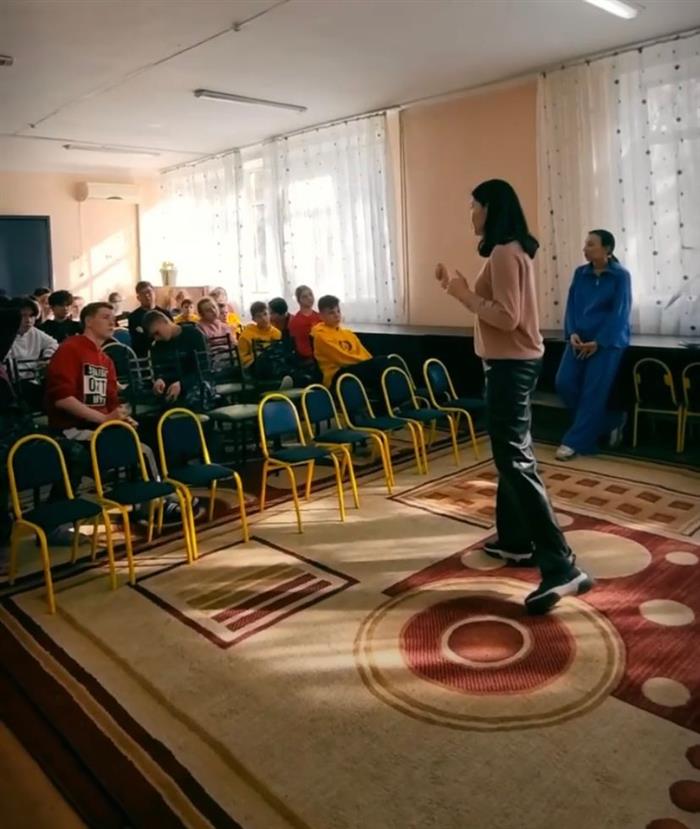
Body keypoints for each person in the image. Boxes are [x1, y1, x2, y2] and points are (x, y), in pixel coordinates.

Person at [435, 178, 593, 615]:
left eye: (474, 206)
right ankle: (516, 541)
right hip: (513, 365)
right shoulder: (511, 250)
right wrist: (459, 288)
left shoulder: (505, 252)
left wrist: (463, 294)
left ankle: (561, 565)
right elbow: (502, 310)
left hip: (510, 367)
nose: (470, 214)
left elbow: (507, 318)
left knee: (515, 461)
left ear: (490, 208)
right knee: (511, 457)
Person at [46, 302, 185, 524]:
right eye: (105, 317)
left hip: (98, 427)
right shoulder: (70, 349)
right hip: (71, 429)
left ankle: (153, 498)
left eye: (113, 317)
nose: (112, 322)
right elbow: (62, 399)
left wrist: (121, 417)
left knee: (152, 430)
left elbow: (111, 403)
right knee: (140, 448)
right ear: (88, 321)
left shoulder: (105, 360)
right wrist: (105, 419)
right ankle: (155, 502)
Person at [555, 230, 632, 460]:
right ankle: (611, 422)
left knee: (593, 392)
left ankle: (573, 442)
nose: (585, 249)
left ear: (607, 249)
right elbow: (572, 306)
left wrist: (599, 341)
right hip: (579, 340)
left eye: (591, 244)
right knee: (564, 383)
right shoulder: (580, 273)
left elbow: (620, 312)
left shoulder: (620, 276)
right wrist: (572, 333)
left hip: (607, 343)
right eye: (585, 244)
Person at [312, 295, 398, 391]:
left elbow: (363, 352)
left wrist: (370, 362)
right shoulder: (321, 336)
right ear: (321, 316)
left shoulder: (348, 333)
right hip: (336, 375)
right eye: (331, 313)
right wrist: (368, 364)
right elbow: (342, 359)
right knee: (380, 364)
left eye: (338, 311)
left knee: (390, 361)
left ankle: (397, 395)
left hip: (353, 367)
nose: (337, 315)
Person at [144, 310, 208, 407]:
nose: (156, 338)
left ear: (165, 321)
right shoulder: (157, 345)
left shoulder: (194, 334)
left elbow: (204, 368)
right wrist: (160, 380)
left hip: (196, 385)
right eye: (153, 336)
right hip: (171, 389)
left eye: (157, 333)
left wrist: (182, 384)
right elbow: (160, 371)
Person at [9, 297, 59, 375]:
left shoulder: (35, 332)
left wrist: (46, 358)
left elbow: (53, 344)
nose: (28, 320)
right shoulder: (4, 334)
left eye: (31, 316)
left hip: (32, 378)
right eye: (23, 315)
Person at [128, 281, 172, 358]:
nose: (147, 295)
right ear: (138, 298)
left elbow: (172, 336)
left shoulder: (166, 314)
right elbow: (137, 342)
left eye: (149, 292)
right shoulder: (133, 317)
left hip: (166, 354)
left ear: (154, 293)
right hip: (145, 357)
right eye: (143, 293)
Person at [288, 285, 321, 361]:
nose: (309, 298)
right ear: (299, 300)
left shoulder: (319, 316)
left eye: (310, 294)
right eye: (304, 297)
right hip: (308, 357)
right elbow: (299, 345)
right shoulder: (295, 321)